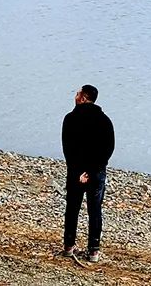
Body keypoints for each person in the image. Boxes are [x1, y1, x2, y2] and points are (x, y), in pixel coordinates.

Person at [61, 84, 115, 263]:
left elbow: (68, 149)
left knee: (72, 209)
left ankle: (69, 246)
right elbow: (108, 149)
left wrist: (79, 172)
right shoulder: (104, 121)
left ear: (83, 98)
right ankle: (94, 251)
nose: (75, 96)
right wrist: (91, 171)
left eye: (77, 93)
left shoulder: (70, 119)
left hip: (76, 171)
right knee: (95, 210)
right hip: (96, 172)